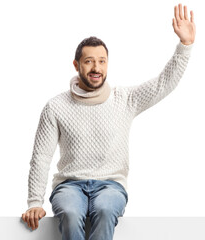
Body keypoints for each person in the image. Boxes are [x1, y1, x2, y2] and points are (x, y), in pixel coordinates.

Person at [22, 4, 195, 240]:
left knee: (104, 211)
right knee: (71, 214)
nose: (96, 68)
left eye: (102, 62)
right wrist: (34, 201)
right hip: (69, 185)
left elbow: (162, 84)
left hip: (111, 186)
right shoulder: (56, 106)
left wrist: (184, 46)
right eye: (89, 62)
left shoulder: (125, 99)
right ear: (76, 65)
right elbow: (41, 157)